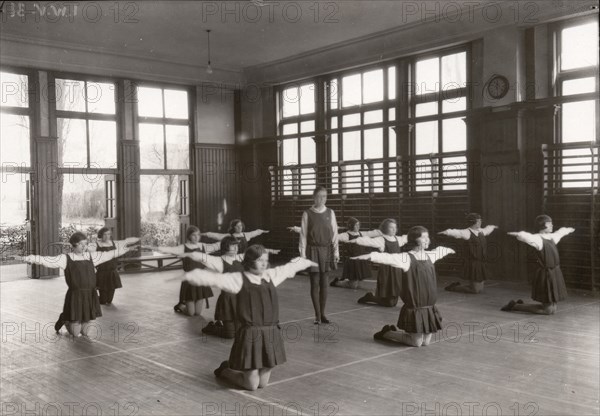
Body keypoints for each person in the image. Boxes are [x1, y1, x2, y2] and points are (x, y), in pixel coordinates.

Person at [175, 245, 316, 391]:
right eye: (259, 260)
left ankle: (242, 369)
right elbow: (214, 278)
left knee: (262, 383)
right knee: (252, 385)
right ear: (249, 261)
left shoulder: (270, 276)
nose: (264, 263)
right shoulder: (239, 280)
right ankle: (225, 370)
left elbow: (287, 269)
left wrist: (309, 260)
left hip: (270, 333)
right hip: (250, 334)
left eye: (265, 260)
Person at [16, 232, 137, 339]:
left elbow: (110, 254)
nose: (85, 247)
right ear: (74, 245)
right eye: (81, 244)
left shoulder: (92, 256)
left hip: (90, 294)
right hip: (75, 295)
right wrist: (26, 258)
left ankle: (71, 317)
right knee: (75, 334)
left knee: (85, 333)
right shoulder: (65, 258)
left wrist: (126, 249)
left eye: (86, 244)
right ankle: (66, 318)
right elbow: (46, 260)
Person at [353, 226, 455, 347]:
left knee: (425, 343)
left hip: (429, 307)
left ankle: (400, 333)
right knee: (416, 343)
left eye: (428, 237)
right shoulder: (406, 258)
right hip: (415, 308)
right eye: (424, 237)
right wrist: (370, 256)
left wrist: (451, 250)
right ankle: (387, 333)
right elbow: (387, 257)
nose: (428, 240)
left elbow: (441, 250)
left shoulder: (430, 256)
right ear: (414, 240)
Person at [180, 236, 280, 339]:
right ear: (225, 247)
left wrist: (271, 251)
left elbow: (257, 253)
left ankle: (223, 325)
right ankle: (213, 327)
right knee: (230, 335)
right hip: (228, 299)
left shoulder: (241, 257)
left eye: (237, 246)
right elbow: (201, 257)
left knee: (242, 332)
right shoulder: (219, 261)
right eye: (233, 246)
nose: (236, 248)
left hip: (242, 299)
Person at [502, 215, 574, 315]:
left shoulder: (552, 237)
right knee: (548, 311)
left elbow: (560, 233)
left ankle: (517, 305)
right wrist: (517, 234)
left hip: (555, 273)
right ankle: (515, 306)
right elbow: (526, 236)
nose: (552, 225)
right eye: (549, 223)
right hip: (546, 274)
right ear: (542, 225)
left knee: (552, 310)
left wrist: (568, 230)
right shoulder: (537, 239)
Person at [150, 226, 220, 316]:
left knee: (197, 313)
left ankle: (189, 304)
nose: (196, 237)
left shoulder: (203, 246)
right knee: (191, 313)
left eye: (198, 235)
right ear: (189, 236)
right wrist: (154, 248)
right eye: (193, 235)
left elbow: (217, 246)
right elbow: (169, 249)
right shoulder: (183, 247)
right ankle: (181, 306)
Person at [299, 186, 339, 324]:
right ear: (313, 197)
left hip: (327, 250)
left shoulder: (330, 212)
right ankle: (317, 315)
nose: (322, 199)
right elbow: (303, 235)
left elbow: (334, 234)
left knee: (325, 284)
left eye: (324, 196)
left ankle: (323, 314)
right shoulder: (307, 214)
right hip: (313, 251)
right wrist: (303, 255)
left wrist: (336, 252)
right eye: (319, 196)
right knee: (315, 283)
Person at [351, 218, 407, 307]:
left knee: (393, 301)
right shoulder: (381, 240)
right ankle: (370, 297)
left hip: (396, 270)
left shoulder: (398, 239)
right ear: (385, 228)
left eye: (395, 227)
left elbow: (407, 238)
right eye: (391, 227)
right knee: (389, 302)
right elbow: (368, 241)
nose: (394, 229)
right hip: (386, 271)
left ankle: (373, 297)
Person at [438, 213, 498, 294]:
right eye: (478, 221)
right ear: (473, 222)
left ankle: (459, 286)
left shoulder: (481, 231)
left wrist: (492, 226)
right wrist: (446, 232)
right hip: (473, 263)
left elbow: (488, 229)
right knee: (475, 290)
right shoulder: (467, 232)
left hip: (481, 262)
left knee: (480, 290)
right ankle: (454, 287)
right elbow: (456, 232)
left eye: (480, 221)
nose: (480, 223)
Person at [88, 227, 140, 305]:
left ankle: (94, 298)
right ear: (101, 235)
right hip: (102, 272)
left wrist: (131, 248)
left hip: (112, 272)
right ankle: (92, 299)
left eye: (108, 234)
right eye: (104, 234)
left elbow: (124, 246)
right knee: (103, 301)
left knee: (109, 300)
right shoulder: (95, 244)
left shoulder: (114, 243)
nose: (106, 236)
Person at [330, 217, 381, 289]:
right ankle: (337, 282)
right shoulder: (346, 235)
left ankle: (346, 280)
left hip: (359, 260)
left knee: (356, 281)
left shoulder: (360, 234)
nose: (358, 227)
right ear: (351, 226)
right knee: (353, 285)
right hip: (352, 261)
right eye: (356, 225)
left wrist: (383, 231)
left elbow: (372, 233)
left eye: (358, 225)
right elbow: (334, 237)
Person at [203, 220, 269, 253]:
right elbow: (216, 235)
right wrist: (203, 234)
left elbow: (255, 232)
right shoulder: (229, 236)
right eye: (237, 226)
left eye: (240, 225)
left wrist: (262, 231)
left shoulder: (246, 235)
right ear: (233, 227)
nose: (239, 227)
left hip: (243, 257)